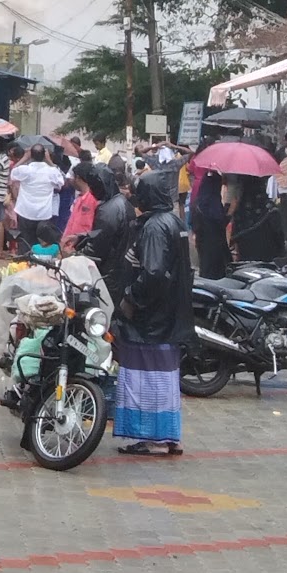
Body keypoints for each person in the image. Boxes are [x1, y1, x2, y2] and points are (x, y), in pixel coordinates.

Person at [114, 172, 193, 457]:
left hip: (149, 320)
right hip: (169, 316)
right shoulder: (174, 222)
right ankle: (170, 436)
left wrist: (131, 299)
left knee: (144, 377)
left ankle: (149, 436)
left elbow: (153, 272)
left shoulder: (154, 228)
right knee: (165, 377)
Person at [76, 164, 134, 309]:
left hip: (109, 273)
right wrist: (82, 237)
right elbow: (108, 233)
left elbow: (98, 246)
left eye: (94, 186)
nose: (92, 191)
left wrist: (76, 257)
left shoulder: (108, 210)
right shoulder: (122, 203)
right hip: (123, 268)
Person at [10, 144, 65, 249]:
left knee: (25, 243)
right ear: (45, 155)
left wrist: (25, 158)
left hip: (25, 211)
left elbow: (13, 173)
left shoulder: (26, 170)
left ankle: (25, 263)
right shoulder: (51, 171)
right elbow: (61, 181)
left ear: (32, 155)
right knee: (42, 245)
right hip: (43, 214)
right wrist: (50, 161)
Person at [231, 175, 282, 263]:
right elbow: (279, 233)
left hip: (246, 261)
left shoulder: (241, 209)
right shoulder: (269, 207)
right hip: (268, 258)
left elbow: (236, 233)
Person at [192, 169, 230, 279]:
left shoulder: (199, 201)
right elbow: (219, 221)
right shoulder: (214, 203)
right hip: (215, 244)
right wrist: (229, 212)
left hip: (203, 242)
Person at [60, 163, 99, 252]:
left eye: (74, 177)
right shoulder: (80, 198)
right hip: (70, 245)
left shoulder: (92, 199)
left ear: (78, 178)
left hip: (80, 248)